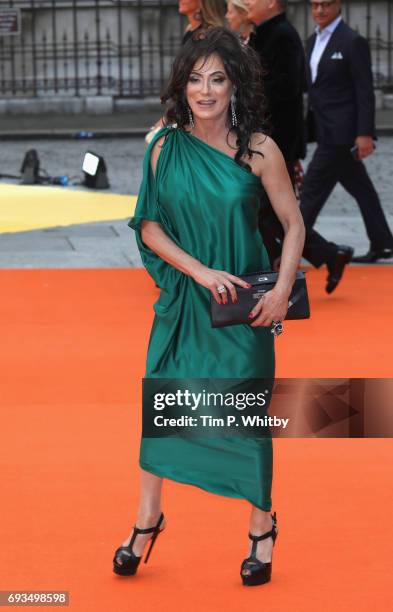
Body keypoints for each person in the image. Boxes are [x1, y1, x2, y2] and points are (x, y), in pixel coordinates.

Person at [113, 27, 305, 586]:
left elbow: (293, 225)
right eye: (195, 79)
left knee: (244, 418)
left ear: (234, 85)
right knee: (163, 410)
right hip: (184, 301)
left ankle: (262, 527)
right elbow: (148, 226)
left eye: (217, 79)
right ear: (182, 85)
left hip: (245, 309)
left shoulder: (259, 149)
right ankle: (148, 520)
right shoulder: (162, 145)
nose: (205, 90)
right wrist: (197, 271)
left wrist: (279, 292)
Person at [245, 0, 353, 293]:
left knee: (270, 211)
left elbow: (287, 91)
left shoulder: (282, 35)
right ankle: (327, 255)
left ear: (270, 3)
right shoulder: (265, 33)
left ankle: (293, 264)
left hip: (277, 141)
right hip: (264, 138)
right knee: (263, 211)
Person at [301, 0, 393, 263]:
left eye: (326, 4)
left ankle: (291, 243)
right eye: (315, 5)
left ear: (338, 5)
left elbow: (364, 90)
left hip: (342, 134)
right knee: (361, 188)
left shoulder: (352, 41)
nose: (320, 10)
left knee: (311, 191)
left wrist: (365, 133)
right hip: (324, 129)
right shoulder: (311, 41)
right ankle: (383, 242)